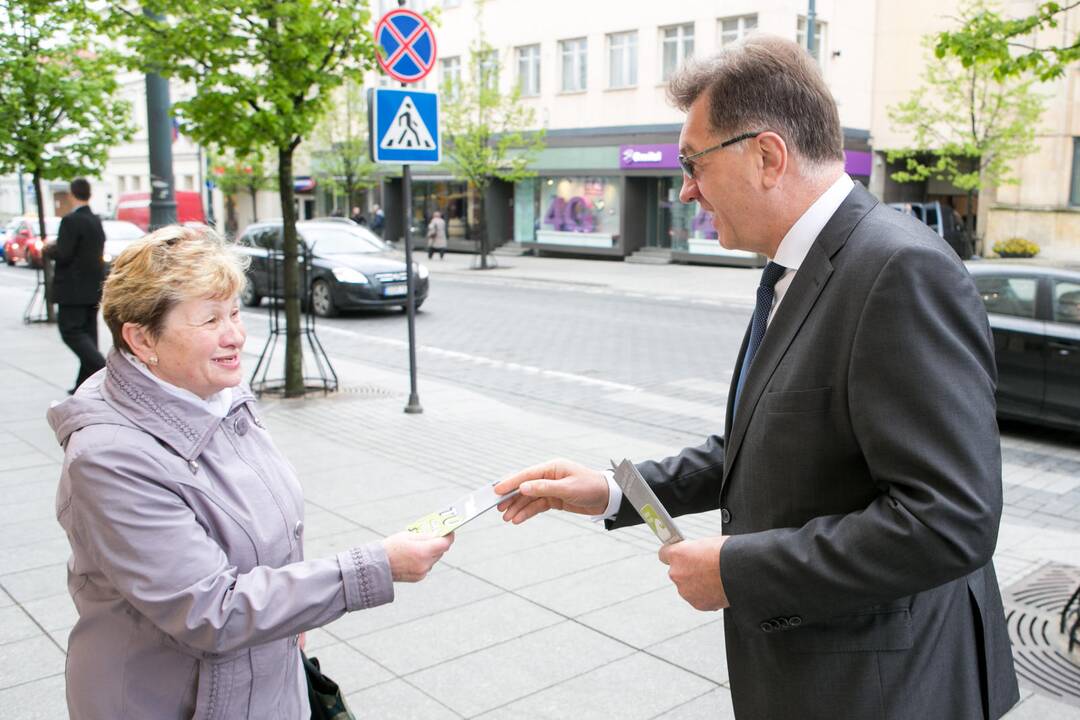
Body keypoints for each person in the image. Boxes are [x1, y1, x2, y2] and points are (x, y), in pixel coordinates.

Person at [495, 35, 1018, 720]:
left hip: (888, 688)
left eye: (693, 164)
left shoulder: (898, 270)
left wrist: (737, 570)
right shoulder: (789, 270)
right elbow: (753, 449)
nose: (685, 189)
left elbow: (950, 522)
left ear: (768, 156)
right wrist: (613, 491)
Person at [47, 225, 453, 719]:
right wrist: (375, 568)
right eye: (211, 318)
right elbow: (208, 610)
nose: (235, 334)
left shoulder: (215, 393)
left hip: (260, 682)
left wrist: (295, 614)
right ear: (141, 338)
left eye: (235, 312)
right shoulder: (110, 456)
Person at [46, 178, 107, 393]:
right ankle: (85, 383)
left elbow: (63, 253)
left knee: (71, 332)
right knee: (89, 335)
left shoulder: (71, 221)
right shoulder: (95, 220)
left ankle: (104, 369)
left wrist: (49, 248)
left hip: (72, 290)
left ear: (72, 194)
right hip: (92, 288)